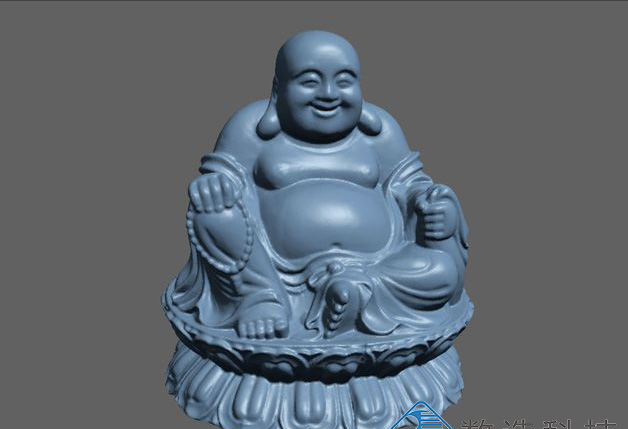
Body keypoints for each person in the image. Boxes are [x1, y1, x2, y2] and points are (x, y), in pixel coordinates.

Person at [167, 30, 470, 341]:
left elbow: (411, 185)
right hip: (277, 276)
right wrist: (216, 187)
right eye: (310, 81)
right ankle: (259, 301)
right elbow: (223, 176)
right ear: (278, 89)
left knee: (441, 273)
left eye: (344, 81)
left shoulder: (381, 132)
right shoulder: (249, 128)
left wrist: (435, 205)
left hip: (378, 265)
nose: (328, 94)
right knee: (213, 211)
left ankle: (357, 292)